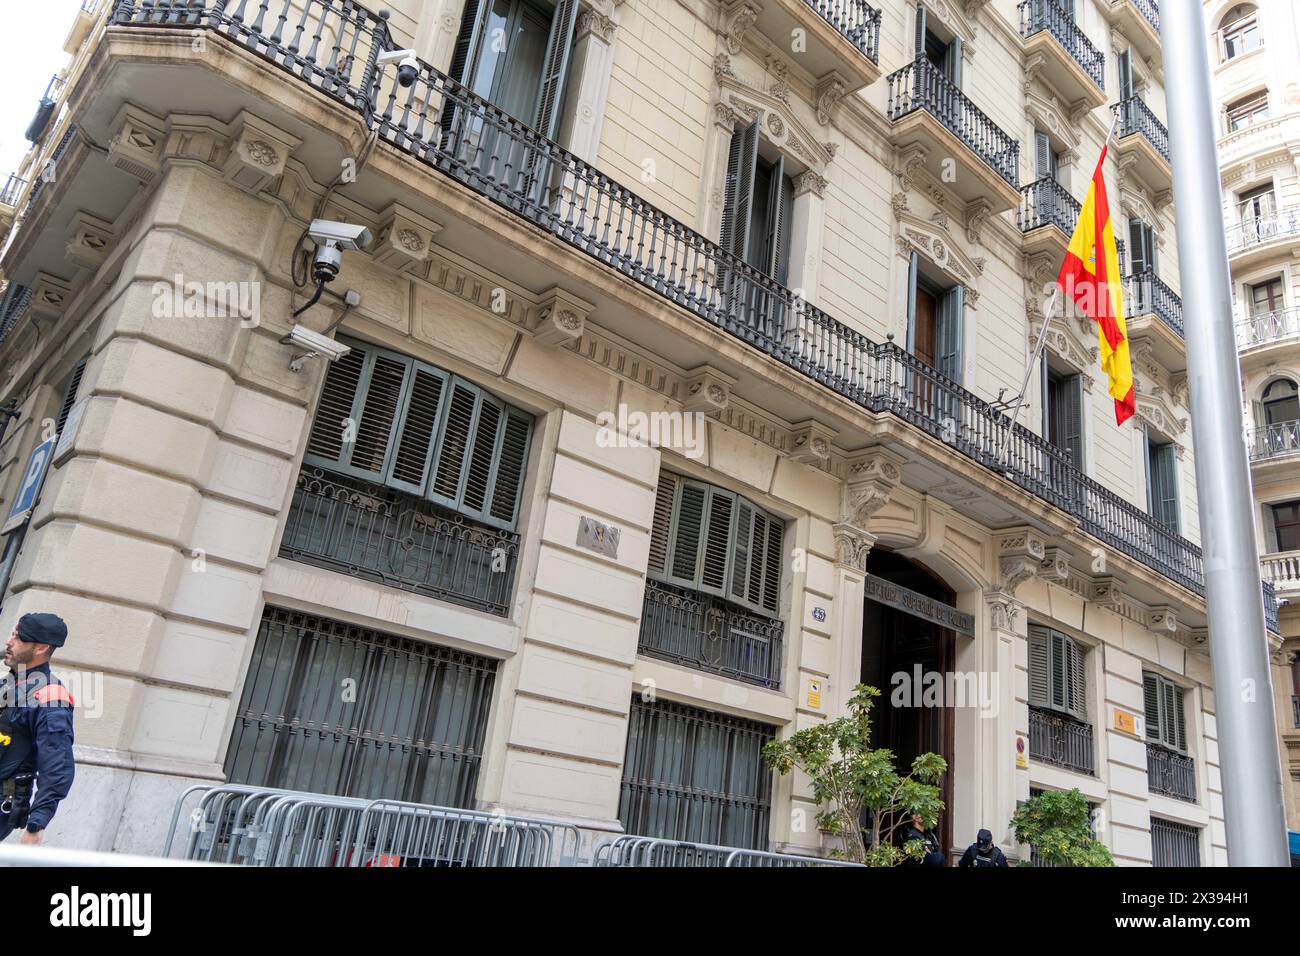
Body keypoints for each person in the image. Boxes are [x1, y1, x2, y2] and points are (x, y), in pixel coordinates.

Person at [0, 613, 75, 844]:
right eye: (12, 634)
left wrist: (36, 824)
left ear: (41, 648)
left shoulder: (50, 697)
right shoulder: (8, 683)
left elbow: (57, 766)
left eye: (19, 638)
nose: (9, 642)